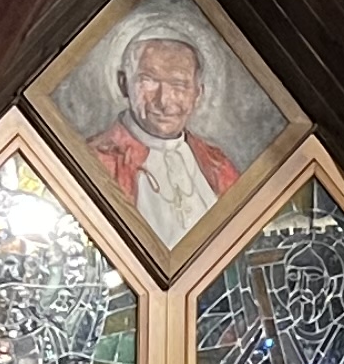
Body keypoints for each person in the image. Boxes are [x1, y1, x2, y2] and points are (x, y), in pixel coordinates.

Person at [83, 28, 246, 247]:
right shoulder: (95, 160)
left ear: (197, 93)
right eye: (149, 81)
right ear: (124, 84)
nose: (164, 101)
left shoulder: (217, 163)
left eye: (179, 85)